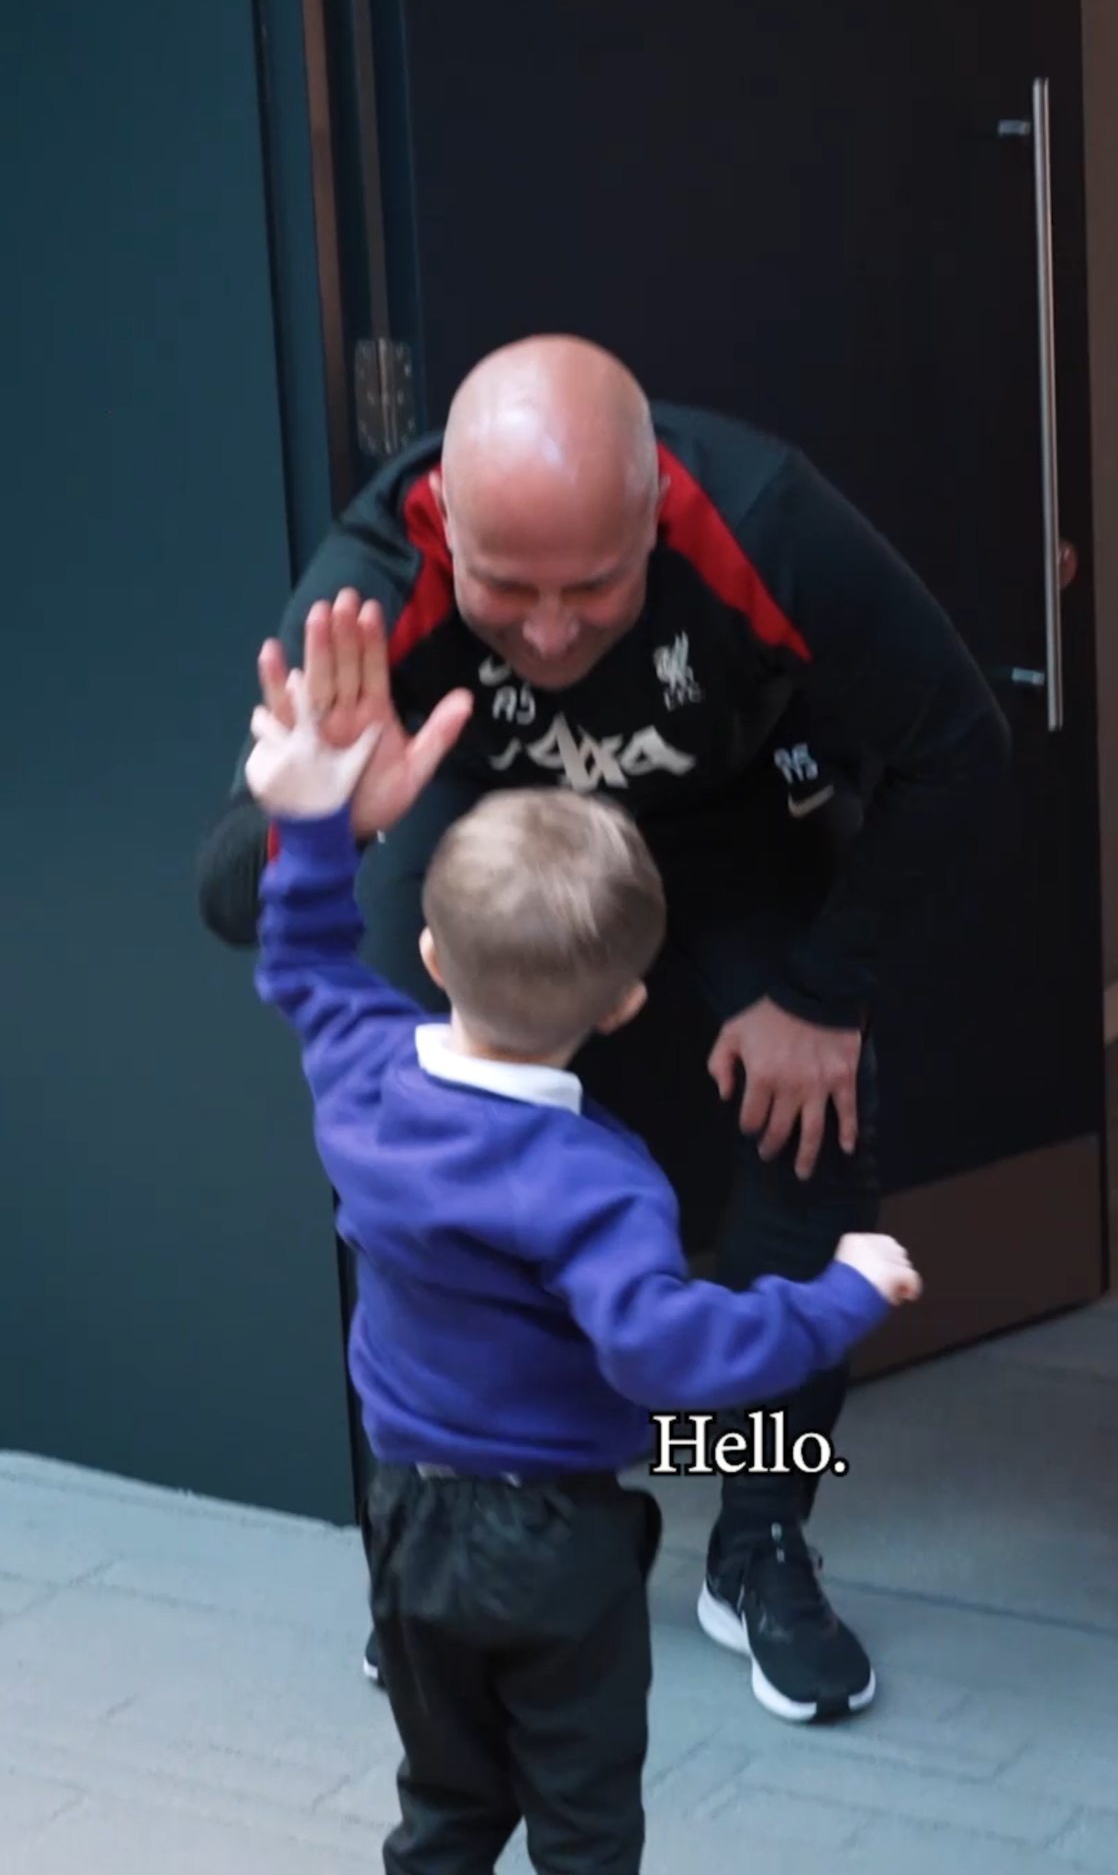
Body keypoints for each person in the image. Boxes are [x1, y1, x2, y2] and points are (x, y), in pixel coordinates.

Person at [197, 333, 1011, 1724]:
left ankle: (756, 1535)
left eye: (598, 588)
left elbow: (961, 747)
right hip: (479, 827)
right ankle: (450, 1535)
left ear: (659, 516)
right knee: (406, 1121)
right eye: (510, 592)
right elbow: (229, 889)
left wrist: (822, 993)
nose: (556, 633)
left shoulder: (764, 522)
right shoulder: (382, 573)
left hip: (726, 828)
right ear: (451, 526)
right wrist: (347, 804)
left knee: (817, 1119)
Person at [242, 671, 921, 1873]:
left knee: (445, 1807)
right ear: (624, 1005)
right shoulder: (598, 1185)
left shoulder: (363, 1074)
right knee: (585, 1823)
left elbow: (302, 953)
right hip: (554, 1537)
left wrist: (310, 819)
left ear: (434, 950)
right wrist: (843, 1290)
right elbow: (670, 1355)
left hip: (403, 1516)